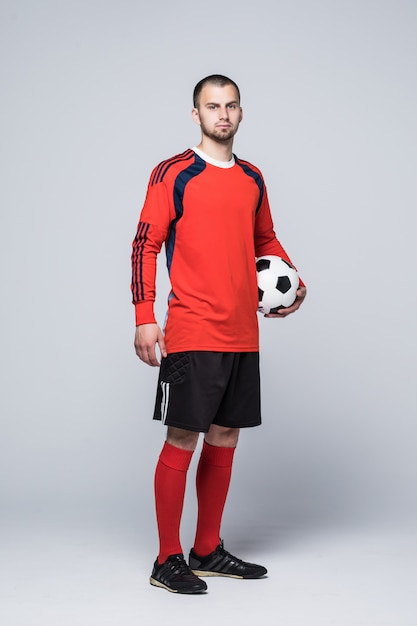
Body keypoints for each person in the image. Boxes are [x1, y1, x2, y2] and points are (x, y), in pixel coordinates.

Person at [131, 74, 306, 594]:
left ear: (241, 113)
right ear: (196, 115)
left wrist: (291, 282)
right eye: (212, 107)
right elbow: (143, 243)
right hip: (191, 329)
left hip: (242, 332)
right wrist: (144, 315)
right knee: (183, 437)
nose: (222, 115)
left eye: (231, 106)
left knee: (226, 436)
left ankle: (206, 548)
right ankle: (167, 559)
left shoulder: (252, 177)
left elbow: (265, 239)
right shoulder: (173, 173)